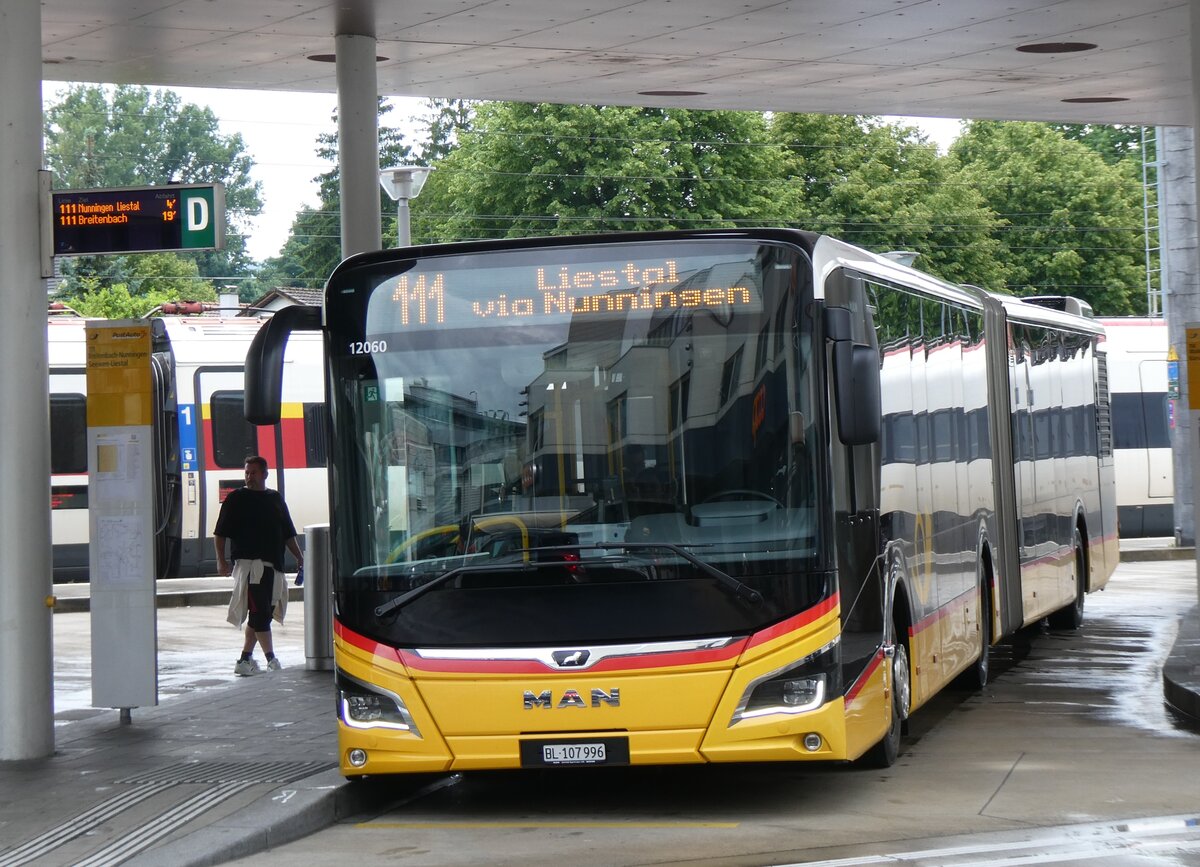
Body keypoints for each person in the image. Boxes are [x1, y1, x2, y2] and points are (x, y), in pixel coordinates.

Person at [215, 455, 304, 676]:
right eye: (246, 473)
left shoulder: (275, 499)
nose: (249, 477)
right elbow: (220, 533)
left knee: (261, 613)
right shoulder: (236, 499)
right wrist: (221, 560)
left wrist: (300, 557)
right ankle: (271, 659)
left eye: (253, 473)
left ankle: (245, 659)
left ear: (265, 474)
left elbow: (288, 533)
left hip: (273, 566)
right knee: (261, 612)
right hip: (250, 567)